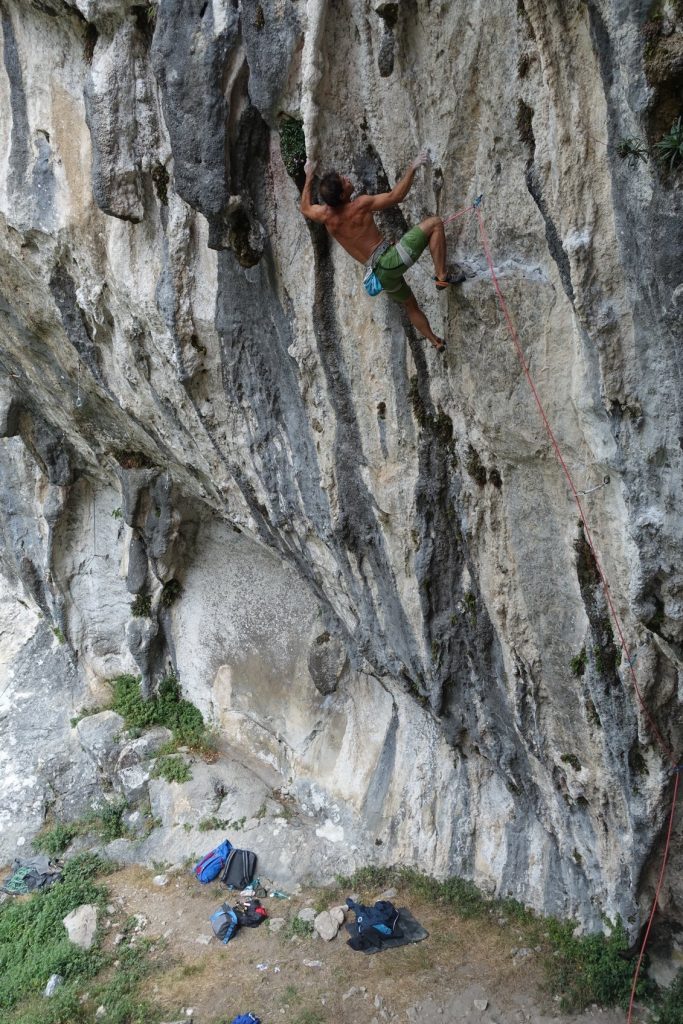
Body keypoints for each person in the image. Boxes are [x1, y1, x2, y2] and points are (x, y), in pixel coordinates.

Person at [300, 151, 465, 351]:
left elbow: (305, 208)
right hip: (390, 259)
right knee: (436, 224)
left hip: (379, 275)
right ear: (343, 195)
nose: (347, 178)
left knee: (410, 306)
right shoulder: (359, 205)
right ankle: (441, 276)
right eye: (343, 181)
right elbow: (397, 196)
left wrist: (309, 176)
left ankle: (435, 341)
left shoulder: (325, 216)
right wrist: (412, 168)